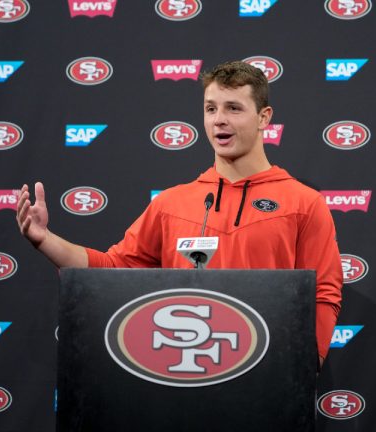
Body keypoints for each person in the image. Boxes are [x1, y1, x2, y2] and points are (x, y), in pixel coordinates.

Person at [17, 60, 342, 367]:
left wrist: (302, 367)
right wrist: (45, 240)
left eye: (234, 108)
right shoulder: (171, 204)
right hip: (182, 376)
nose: (219, 120)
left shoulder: (303, 203)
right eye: (211, 108)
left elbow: (323, 293)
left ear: (264, 117)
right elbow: (111, 270)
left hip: (267, 377)